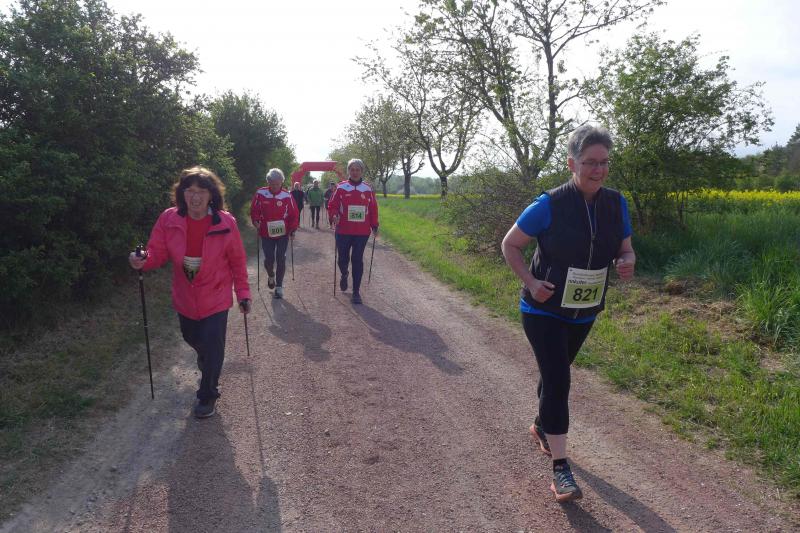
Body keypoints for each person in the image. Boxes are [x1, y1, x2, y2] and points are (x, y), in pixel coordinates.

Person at [501, 125, 635, 503]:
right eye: (590, 162)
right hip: (542, 309)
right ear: (572, 163)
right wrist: (530, 282)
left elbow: (625, 248)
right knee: (559, 380)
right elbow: (510, 245)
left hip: (584, 311)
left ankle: (542, 426)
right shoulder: (549, 204)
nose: (598, 169)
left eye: (604, 162)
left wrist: (627, 260)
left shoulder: (616, 203)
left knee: (554, 374)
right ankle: (561, 470)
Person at [128, 166, 251, 419]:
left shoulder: (225, 222)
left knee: (213, 346)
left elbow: (238, 261)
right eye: (190, 191)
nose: (195, 197)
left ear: (211, 195)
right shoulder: (168, 219)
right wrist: (142, 259)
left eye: (201, 191)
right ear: (181, 193)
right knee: (192, 338)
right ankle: (206, 359)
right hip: (185, 297)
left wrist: (243, 293)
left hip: (216, 295)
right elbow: (157, 252)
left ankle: (207, 395)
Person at [327, 159, 379, 304]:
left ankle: (356, 292)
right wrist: (334, 215)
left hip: (362, 232)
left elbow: (373, 209)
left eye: (358, 169)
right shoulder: (341, 187)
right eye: (352, 169)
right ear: (349, 171)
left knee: (357, 259)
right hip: (343, 230)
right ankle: (344, 273)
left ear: (361, 171)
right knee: (342, 259)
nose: (355, 172)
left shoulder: (367, 189)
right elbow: (332, 205)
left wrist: (374, 225)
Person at [250, 169, 299, 299]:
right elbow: (254, 210)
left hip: (283, 232)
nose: (275, 186)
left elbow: (294, 215)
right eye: (272, 184)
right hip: (266, 232)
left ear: (282, 182)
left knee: (281, 257)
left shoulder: (287, 195)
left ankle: (279, 286)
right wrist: (256, 221)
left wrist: (293, 230)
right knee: (269, 259)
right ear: (268, 182)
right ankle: (271, 275)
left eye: (277, 184)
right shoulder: (261, 193)